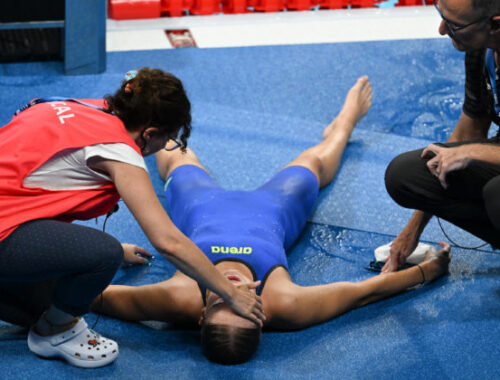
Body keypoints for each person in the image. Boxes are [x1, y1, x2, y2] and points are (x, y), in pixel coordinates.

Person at [93, 76, 451, 365]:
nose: (235, 292)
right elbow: (361, 294)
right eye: (245, 306)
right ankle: (344, 124)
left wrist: (102, 255)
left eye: (223, 302)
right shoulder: (284, 302)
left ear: (202, 316)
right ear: (261, 318)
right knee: (314, 163)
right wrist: (426, 272)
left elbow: (94, 297)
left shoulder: (178, 299)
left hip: (201, 205)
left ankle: (151, 124)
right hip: (272, 209)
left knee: (174, 156)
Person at [0, 68, 264, 368]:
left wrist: (75, 248)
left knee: (42, 305)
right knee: (103, 254)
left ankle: (45, 314)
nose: (161, 149)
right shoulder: (119, 151)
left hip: (6, 218)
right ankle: (54, 332)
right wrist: (229, 292)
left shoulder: (75, 106)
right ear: (150, 134)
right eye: (166, 140)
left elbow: (33, 190)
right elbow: (169, 242)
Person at [383, 0, 500, 272]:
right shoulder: (482, 52)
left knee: (498, 195)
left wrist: (471, 152)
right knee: (405, 175)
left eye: (455, 25)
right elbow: (469, 131)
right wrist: (414, 228)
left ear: (495, 24)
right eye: (441, 15)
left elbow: (468, 147)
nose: (441, 29)